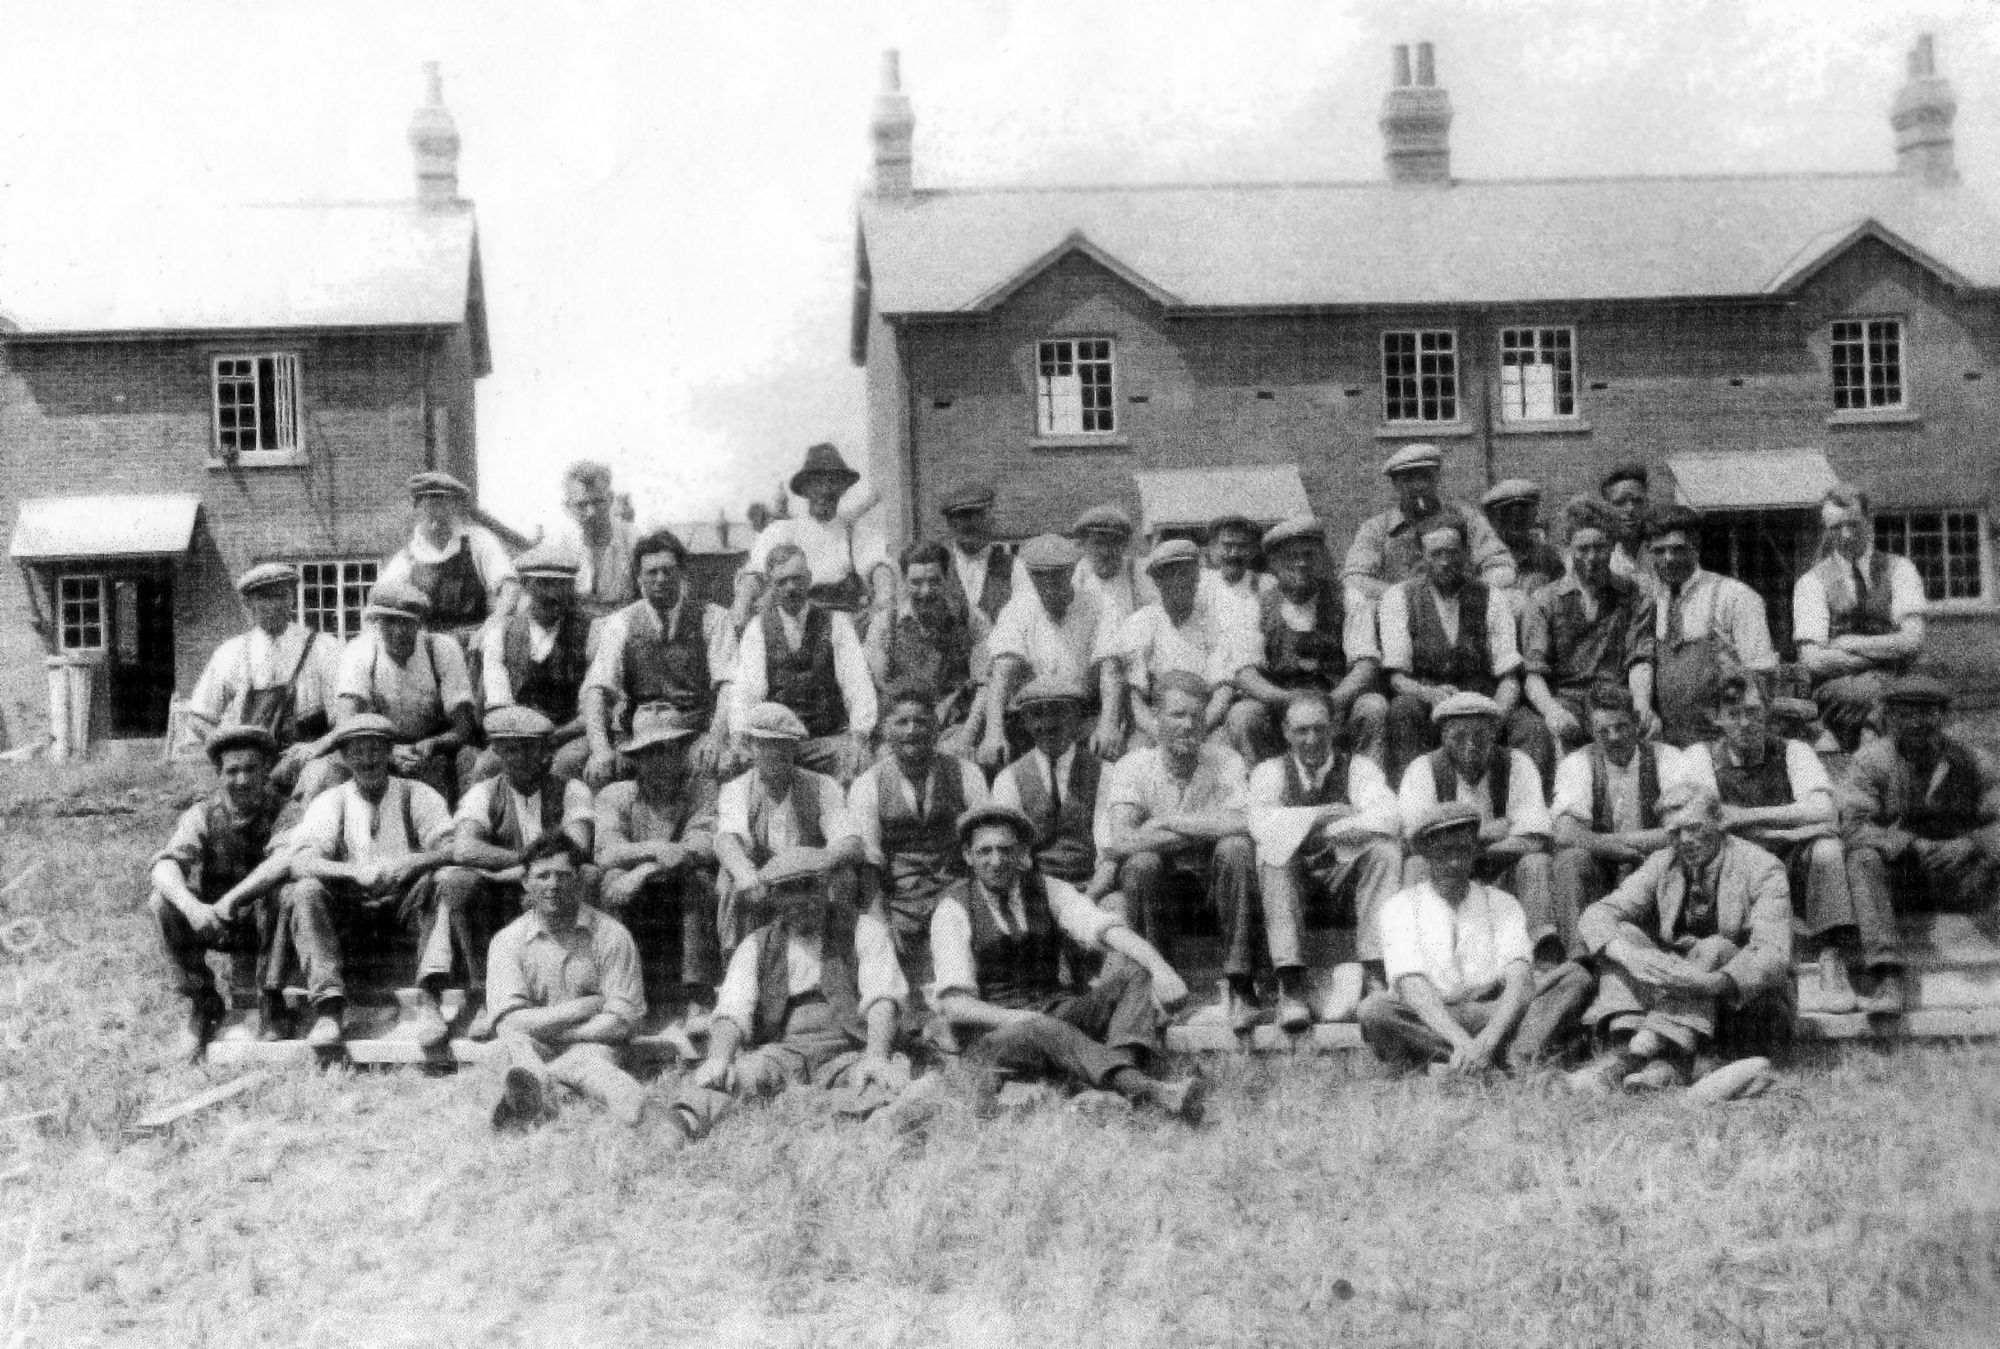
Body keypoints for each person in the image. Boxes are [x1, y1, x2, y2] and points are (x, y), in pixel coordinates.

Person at [930, 805, 1204, 1122]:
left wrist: (1161, 968)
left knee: (1135, 974)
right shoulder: (953, 909)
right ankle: (1151, 1090)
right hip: (992, 1037)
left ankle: (1118, 1086)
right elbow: (955, 1007)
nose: (996, 861)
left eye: (1006, 850)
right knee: (1040, 1025)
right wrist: (1018, 1018)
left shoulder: (1048, 889)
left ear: (1020, 852)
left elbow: (1103, 927)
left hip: (1055, 1013)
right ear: (968, 855)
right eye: (984, 851)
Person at [665, 846, 912, 1144]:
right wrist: (718, 1060)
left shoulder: (865, 930)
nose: (798, 901)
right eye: (786, 891)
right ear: (773, 898)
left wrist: (876, 1056)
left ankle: (872, 1122)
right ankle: (683, 1125)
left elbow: (882, 997)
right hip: (782, 1052)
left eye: (807, 887)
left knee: (883, 1082)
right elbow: (732, 1010)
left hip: (849, 1049)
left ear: (825, 887)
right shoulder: (755, 945)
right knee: (726, 1080)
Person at [1572, 780, 1794, 1093]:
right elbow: (1597, 914)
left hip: (1747, 1004)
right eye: (1674, 833)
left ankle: (1633, 1059)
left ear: (1719, 822)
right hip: (1680, 998)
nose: (1685, 840)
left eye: (1694, 828)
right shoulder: (1664, 862)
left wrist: (1709, 983)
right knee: (1622, 935)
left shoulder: (1763, 867)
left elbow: (1772, 955)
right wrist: (1629, 957)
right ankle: (1655, 1059)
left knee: (1714, 949)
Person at [1358, 802, 1595, 1075]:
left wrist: (1489, 1038)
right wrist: (1463, 1041)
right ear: (1427, 855)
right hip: (1434, 1016)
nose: (1455, 861)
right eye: (1445, 851)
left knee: (1574, 977)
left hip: (1494, 1012)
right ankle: (1499, 1061)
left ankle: (1475, 1062)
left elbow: (1519, 980)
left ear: (1475, 851)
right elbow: (1413, 989)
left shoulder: (1502, 903)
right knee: (1374, 1010)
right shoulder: (1400, 907)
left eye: (1463, 850)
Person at [1677, 673, 1867, 1011]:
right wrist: (1791, 827)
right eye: (1734, 714)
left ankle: (1830, 957)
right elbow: (1707, 824)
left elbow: (1824, 810)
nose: (1745, 722)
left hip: (1789, 868)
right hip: (1735, 874)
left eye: (1753, 711)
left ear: (1768, 713)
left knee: (1826, 849)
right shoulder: (1699, 757)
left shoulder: (1794, 751)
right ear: (1717, 717)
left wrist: (1746, 819)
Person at [419, 706, 595, 1047]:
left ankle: (574, 989)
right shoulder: (484, 792)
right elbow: (464, 849)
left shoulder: (571, 789)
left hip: (554, 887)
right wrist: (520, 867)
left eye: (531, 747)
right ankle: (481, 995)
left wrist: (533, 873)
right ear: (498, 752)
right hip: (503, 894)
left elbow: (578, 847)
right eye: (511, 748)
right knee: (456, 880)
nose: (522, 757)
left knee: (587, 875)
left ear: (547, 751)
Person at [279, 714, 458, 1047]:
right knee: (306, 890)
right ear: (345, 758)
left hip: (404, 903)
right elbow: (301, 862)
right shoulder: (332, 801)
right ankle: (329, 1009)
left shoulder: (416, 794)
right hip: (352, 909)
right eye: (358, 752)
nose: (368, 760)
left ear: (390, 752)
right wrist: (352, 872)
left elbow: (452, 847)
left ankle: (430, 1000)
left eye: (376, 750)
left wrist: (413, 862)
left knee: (442, 880)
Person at [1100, 671, 1260, 1028]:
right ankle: (1159, 981)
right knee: (1141, 863)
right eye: (1178, 715)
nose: (1189, 725)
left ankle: (1240, 982)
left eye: (1197, 716)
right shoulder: (1132, 767)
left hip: (1216, 888)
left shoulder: (1226, 761)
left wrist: (1163, 823)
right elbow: (1125, 840)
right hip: (1162, 892)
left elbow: (1242, 823)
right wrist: (1203, 828)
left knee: (1235, 848)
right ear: (1155, 720)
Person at [1840, 675, 2000, 1013]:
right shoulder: (1871, 762)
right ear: (1889, 718)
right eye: (1906, 714)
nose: (1917, 723)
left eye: (1928, 713)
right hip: (1904, 879)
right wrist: (1911, 844)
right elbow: (1854, 826)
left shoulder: (1974, 761)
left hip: (1963, 877)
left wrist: (1971, 843)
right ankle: (1888, 975)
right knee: (1863, 859)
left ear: (1945, 717)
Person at [1245, 692, 1403, 1030]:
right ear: (1286, 732)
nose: (1312, 739)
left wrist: (1331, 834)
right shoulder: (1270, 772)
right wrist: (1325, 814)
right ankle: (1291, 986)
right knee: (1273, 856)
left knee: (1385, 852)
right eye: (1301, 731)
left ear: (1332, 728)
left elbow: (1389, 817)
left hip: (1345, 876)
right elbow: (1260, 825)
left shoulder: (1358, 768)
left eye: (1319, 729)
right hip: (1292, 881)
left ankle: (1376, 973)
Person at [147, 725, 301, 1058]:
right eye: (232, 771)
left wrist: (232, 900)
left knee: (284, 892)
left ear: (266, 769)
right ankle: (204, 1005)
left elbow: (282, 862)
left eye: (251, 769)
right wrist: (191, 907)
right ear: (219, 773)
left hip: (270, 926)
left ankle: (271, 999)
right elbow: (164, 866)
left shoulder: (287, 811)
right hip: (215, 921)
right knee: (162, 902)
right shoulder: (202, 814)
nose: (242, 779)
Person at [486, 834, 650, 1129]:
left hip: (592, 1044)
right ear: (525, 882)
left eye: (563, 875)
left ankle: (628, 1108)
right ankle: (539, 1095)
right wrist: (584, 1007)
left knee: (594, 1067)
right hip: (532, 1044)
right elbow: (508, 1023)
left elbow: (621, 1022)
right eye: (543, 875)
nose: (552, 885)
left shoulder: (611, 935)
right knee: (513, 1051)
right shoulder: (507, 941)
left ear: (579, 880)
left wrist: (558, 1035)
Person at [1378, 514, 1554, 785]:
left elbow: (1509, 677)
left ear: (1467, 553)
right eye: (1436, 554)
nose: (1445, 562)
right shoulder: (1400, 597)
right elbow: (1397, 678)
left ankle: (1531, 813)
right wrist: (1427, 693)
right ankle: (1412, 807)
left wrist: (1496, 713)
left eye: (1452, 552)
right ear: (1423, 557)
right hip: (1429, 702)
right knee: (1402, 710)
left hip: (1484, 701)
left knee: (1532, 728)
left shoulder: (1491, 597)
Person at [1396, 693, 1556, 961]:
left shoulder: (1518, 764)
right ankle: (1424, 956)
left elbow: (1535, 839)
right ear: (1443, 736)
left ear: (1494, 734)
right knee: (1416, 866)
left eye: (1480, 736)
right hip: (1447, 872)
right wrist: (1490, 831)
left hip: (1502, 870)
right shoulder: (1423, 769)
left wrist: (1456, 842)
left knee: (1536, 862)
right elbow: (1418, 842)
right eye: (1459, 736)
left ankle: (1542, 953)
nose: (1470, 745)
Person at [593, 705, 722, 1031]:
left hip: (677, 883)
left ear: (682, 752)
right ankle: (623, 994)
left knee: (700, 878)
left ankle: (698, 997)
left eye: (669, 749)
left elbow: (699, 846)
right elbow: (606, 852)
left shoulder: (701, 788)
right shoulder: (616, 795)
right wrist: (654, 851)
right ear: (636, 757)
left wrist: (642, 870)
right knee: (610, 881)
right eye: (650, 752)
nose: (660, 760)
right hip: (636, 889)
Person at [847, 681, 990, 970]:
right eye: (902, 722)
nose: (912, 730)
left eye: (921, 722)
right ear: (887, 731)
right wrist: (881, 921)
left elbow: (985, 840)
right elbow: (870, 861)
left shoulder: (966, 773)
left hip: (957, 889)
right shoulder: (868, 785)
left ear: (936, 728)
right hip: (900, 899)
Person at [581, 526, 736, 787]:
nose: (661, 579)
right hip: (637, 737)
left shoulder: (713, 618)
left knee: (721, 766)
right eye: (652, 572)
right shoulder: (622, 623)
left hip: (693, 733)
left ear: (682, 574)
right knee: (596, 772)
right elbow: (597, 690)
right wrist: (600, 750)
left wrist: (716, 738)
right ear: (639, 579)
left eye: (668, 570)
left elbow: (729, 686)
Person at [1228, 515, 1387, 767]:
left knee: (1373, 707)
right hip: (1280, 706)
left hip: (1337, 702)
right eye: (1291, 556)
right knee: (1243, 714)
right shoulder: (1253, 605)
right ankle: (1265, 789)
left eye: (1309, 555)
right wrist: (1283, 700)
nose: (1301, 563)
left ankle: (1368, 787)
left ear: (1322, 558)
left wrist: (1334, 700)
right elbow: (1245, 673)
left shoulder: (1349, 598)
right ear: (1273, 564)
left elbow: (1365, 663)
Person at [304, 580, 477, 805]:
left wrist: (432, 744)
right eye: (390, 622)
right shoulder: (360, 651)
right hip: (372, 747)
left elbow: (463, 727)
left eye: (407, 623)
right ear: (377, 623)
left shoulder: (443, 649)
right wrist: (389, 752)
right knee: (323, 772)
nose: (398, 632)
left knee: (469, 763)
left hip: (433, 750)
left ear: (420, 623)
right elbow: (346, 724)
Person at [713, 702, 866, 950]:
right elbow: (727, 841)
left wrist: (816, 864)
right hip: (761, 885)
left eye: (784, 744)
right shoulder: (737, 789)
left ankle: (840, 957)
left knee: (844, 875)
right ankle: (740, 960)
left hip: (810, 880)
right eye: (766, 744)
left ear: (795, 747)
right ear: (750, 746)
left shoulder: (822, 786)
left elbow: (852, 843)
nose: (776, 752)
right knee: (729, 879)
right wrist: (747, 876)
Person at [184, 563, 343, 795]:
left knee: (322, 777)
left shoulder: (323, 648)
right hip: (250, 768)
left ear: (291, 599)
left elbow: (345, 718)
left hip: (305, 763)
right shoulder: (232, 653)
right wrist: (229, 752)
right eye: (264, 599)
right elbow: (199, 717)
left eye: (282, 597)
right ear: (249, 604)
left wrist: (316, 748)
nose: (274, 606)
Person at [1549, 683, 1682, 956]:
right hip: (1603, 869)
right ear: (1591, 731)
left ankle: (1673, 946)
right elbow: (1565, 833)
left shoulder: (1666, 757)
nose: (1613, 737)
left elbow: (1680, 830)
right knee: (1570, 860)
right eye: (1603, 730)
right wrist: (1614, 848)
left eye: (1621, 726)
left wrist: (1616, 842)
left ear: (1636, 722)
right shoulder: (1578, 762)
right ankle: (1580, 958)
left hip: (1653, 867)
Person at [1793, 484, 1927, 752]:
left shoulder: (1900, 569)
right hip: (1839, 686)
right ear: (1825, 529)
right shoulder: (1811, 583)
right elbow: (1813, 660)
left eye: (1853, 524)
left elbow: (1914, 640)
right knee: (1878, 691)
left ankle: (1858, 736)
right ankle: (1873, 735)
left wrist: (1849, 642)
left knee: (1905, 690)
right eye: (1835, 527)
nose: (1846, 535)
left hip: (1894, 678)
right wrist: (1887, 653)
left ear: (1868, 520)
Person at [731, 542, 877, 783]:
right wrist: (740, 738)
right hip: (778, 743)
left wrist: (859, 736)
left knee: (860, 764)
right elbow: (747, 692)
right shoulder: (757, 629)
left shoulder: (836, 623)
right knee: (743, 770)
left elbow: (858, 684)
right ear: (770, 586)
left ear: (809, 579)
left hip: (827, 741)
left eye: (797, 579)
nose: (791, 588)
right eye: (782, 581)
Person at [1522, 496, 1658, 753]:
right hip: (1567, 705)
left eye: (1600, 547)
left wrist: (1641, 707)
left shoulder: (1634, 595)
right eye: (1583, 549)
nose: (1592, 557)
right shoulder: (1544, 600)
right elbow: (1533, 674)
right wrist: (1552, 711)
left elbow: (1640, 660)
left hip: (1616, 703)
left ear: (1613, 546)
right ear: (1568, 549)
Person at [977, 533, 1115, 769]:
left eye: (1057, 574)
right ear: (1029, 575)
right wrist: (994, 732)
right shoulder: (1018, 608)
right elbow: (1002, 673)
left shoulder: (1099, 606)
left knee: (1108, 753)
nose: (1049, 583)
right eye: (1039, 575)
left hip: (1081, 718)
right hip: (1032, 720)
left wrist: (1108, 724)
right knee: (994, 757)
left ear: (1071, 571)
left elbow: (1110, 671)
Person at [1645, 504, 1777, 748]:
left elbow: (1762, 676)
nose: (1669, 558)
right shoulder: (1649, 603)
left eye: (1678, 549)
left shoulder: (1734, 596)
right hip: (1665, 745)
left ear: (1696, 548)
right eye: (1659, 550)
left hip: (1721, 744)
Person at [1105, 539, 1246, 753]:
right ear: (1157, 581)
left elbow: (1222, 691)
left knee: (1222, 757)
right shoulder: (1142, 622)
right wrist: (1159, 732)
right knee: (1138, 754)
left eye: (1187, 574)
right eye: (1170, 575)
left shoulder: (1214, 623)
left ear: (1197, 578)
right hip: (1157, 723)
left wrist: (1198, 729)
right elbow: (1134, 697)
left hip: (1204, 721)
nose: (1180, 582)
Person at [1342, 443, 1516, 612]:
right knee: (1355, 600)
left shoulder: (1467, 519)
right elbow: (1354, 577)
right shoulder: (1377, 528)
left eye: (1426, 477)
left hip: (1462, 610)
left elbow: (1502, 567)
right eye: (1408, 479)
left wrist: (1465, 594)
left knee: (1515, 601)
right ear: (1395, 484)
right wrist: (1404, 597)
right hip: (1401, 614)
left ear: (1437, 478)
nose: (1419, 486)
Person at [475, 540, 595, 784]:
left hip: (570, 735)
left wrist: (558, 735)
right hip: (516, 734)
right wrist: (525, 741)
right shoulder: (501, 633)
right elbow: (499, 704)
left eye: (561, 585)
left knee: (564, 767)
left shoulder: (591, 632)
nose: (551, 594)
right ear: (525, 585)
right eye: (543, 583)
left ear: (571, 588)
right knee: (486, 768)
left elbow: (591, 708)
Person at [864, 540, 991, 758]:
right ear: (904, 581)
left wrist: (968, 733)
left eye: (934, 581)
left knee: (954, 758)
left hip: (954, 724)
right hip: (904, 724)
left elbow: (986, 682)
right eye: (916, 582)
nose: (925, 591)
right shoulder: (885, 624)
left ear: (947, 579)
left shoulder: (970, 619)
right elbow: (879, 688)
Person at [744, 442, 894, 621]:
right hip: (794, 629)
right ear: (805, 489)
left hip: (845, 629)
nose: (825, 491)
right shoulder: (783, 531)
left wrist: (884, 598)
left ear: (843, 489)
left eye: (832, 482)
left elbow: (879, 568)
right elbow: (754, 576)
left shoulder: (854, 534)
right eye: (817, 483)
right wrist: (741, 604)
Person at [991, 678, 1113, 892]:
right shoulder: (1008, 779)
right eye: (1036, 715)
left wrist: (1089, 899)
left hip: (1093, 887)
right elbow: (1011, 855)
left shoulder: (1105, 773)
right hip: (1035, 892)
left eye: (1058, 713)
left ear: (1077, 718)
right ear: (1025, 722)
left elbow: (1110, 853)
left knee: (1118, 916)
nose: (1047, 724)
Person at [376, 470, 519, 638]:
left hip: (477, 642)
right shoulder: (406, 559)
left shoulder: (478, 542)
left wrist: (493, 625)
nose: (436, 513)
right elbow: (380, 600)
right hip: (429, 648)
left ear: (456, 506)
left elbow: (510, 588)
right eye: (428, 504)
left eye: (443, 504)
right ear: (416, 507)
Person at [555, 460, 637, 619]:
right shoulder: (559, 546)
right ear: (567, 507)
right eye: (581, 505)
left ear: (611, 498)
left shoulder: (634, 541)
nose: (591, 512)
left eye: (598, 502)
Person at [937, 479, 1020, 623]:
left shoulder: (1013, 566)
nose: (969, 523)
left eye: (978, 518)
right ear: (950, 525)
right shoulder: (938, 565)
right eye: (961, 519)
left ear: (991, 520)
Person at [1071, 504, 1156, 635]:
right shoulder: (1078, 576)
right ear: (1084, 545)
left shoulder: (1137, 574)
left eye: (1113, 543)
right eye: (1097, 543)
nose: (1105, 552)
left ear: (1125, 545)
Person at [1481, 479, 1569, 598]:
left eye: (1523, 516)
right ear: (1492, 519)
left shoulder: (1547, 558)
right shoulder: (1481, 558)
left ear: (1533, 516)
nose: (1515, 521)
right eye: (1506, 515)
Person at [1198, 514, 1266, 636]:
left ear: (1253, 551)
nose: (1234, 554)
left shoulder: (1265, 586)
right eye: (1228, 546)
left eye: (1242, 546)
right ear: (1214, 547)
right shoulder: (1201, 585)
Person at [1599, 463, 1653, 588]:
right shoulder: (1597, 553)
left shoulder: (1662, 549)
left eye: (1638, 501)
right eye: (1620, 502)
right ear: (1606, 508)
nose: (1630, 509)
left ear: (1647, 504)